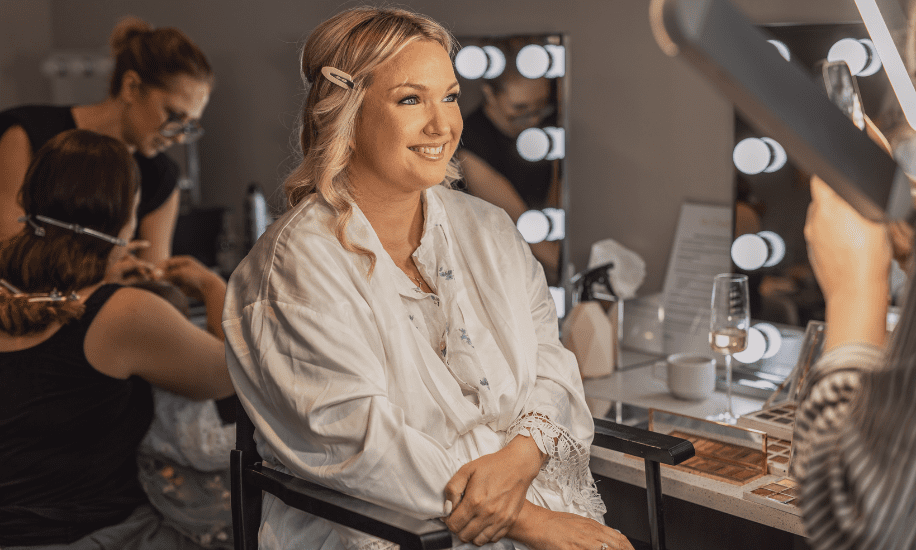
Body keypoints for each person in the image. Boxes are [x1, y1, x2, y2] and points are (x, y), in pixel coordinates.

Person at [223, 7, 634, 550]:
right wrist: (530, 523)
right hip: (385, 531)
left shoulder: (489, 231)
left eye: (450, 95)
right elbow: (358, 444)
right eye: (411, 99)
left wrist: (522, 456)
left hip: (528, 502)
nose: (444, 125)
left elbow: (551, 367)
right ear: (347, 113)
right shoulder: (296, 268)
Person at [0, 129, 234, 549]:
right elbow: (227, 374)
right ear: (125, 216)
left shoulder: (15, 294)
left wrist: (105, 280)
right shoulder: (123, 314)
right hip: (85, 535)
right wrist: (213, 287)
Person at [0, 16, 213, 266]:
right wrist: (103, 270)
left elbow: (154, 273)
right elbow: (8, 246)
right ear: (131, 86)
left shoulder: (161, 178)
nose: (179, 136)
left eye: (189, 124)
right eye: (174, 115)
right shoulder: (28, 133)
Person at [456, 54, 561, 284]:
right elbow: (521, 224)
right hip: (490, 266)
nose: (533, 118)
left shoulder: (551, 127)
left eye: (540, 105)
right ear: (489, 94)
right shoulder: (471, 143)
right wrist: (569, 267)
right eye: (520, 106)